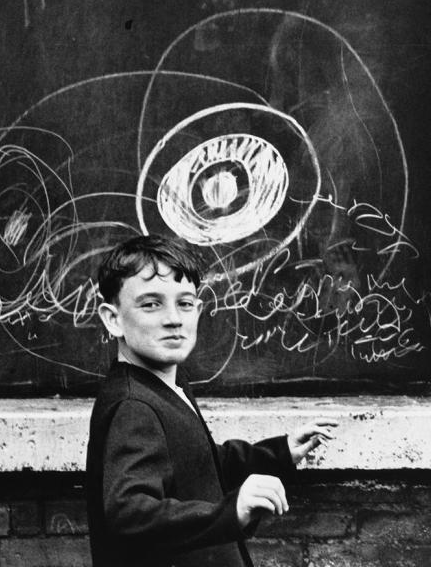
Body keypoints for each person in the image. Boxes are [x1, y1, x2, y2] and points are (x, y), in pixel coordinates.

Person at [85, 234, 336, 567]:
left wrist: (279, 452)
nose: (173, 318)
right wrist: (231, 511)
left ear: (198, 311)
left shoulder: (167, 387)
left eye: (185, 303)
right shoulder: (135, 406)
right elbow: (130, 513)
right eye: (151, 304)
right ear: (112, 318)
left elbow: (200, 461)